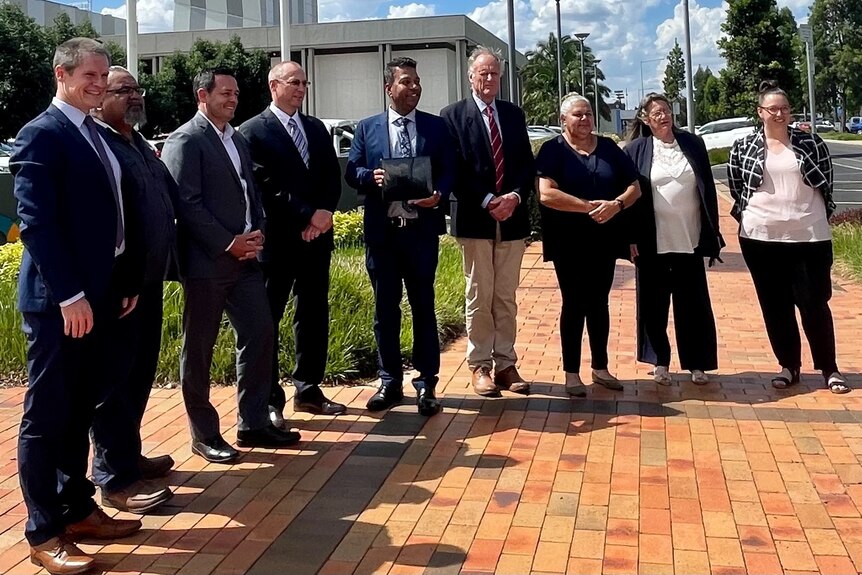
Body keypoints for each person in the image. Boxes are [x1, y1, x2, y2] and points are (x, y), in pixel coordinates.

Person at [11, 37, 144, 574]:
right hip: (60, 304)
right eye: (88, 75)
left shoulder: (97, 134)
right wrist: (69, 295)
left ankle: (78, 508)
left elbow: (116, 211)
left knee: (81, 407)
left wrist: (125, 277)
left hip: (102, 296)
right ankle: (43, 531)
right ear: (61, 75)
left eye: (102, 76)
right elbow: (36, 224)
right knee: (46, 415)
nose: (98, 84)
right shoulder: (41, 133)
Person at [161, 69, 301, 465]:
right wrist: (227, 242)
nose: (233, 99)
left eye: (236, 94)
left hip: (246, 262)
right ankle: (203, 435)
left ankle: (253, 422)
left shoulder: (236, 137)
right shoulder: (186, 139)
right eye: (225, 93)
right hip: (207, 263)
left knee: (260, 332)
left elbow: (249, 190)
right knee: (199, 349)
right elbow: (185, 204)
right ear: (202, 94)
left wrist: (256, 233)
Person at [345, 57, 455, 416]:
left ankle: (427, 384)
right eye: (406, 82)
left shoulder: (435, 128)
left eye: (417, 81)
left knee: (424, 307)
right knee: (385, 310)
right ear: (388, 88)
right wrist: (369, 178)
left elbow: (450, 169)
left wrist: (438, 194)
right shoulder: (367, 128)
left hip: (421, 234)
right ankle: (389, 380)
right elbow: (352, 170)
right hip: (384, 235)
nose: (414, 88)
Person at [88, 66, 176, 515]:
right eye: (124, 90)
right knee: (115, 382)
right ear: (100, 98)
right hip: (121, 289)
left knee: (140, 375)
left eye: (137, 89)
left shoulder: (138, 142)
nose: (134, 96)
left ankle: (129, 455)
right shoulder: (100, 143)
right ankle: (114, 478)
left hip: (148, 282)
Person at [239, 61, 346, 427]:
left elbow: (332, 176)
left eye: (304, 82)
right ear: (274, 85)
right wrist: (306, 216)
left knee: (314, 313)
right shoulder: (252, 131)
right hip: (279, 241)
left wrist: (324, 214)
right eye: (294, 82)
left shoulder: (315, 128)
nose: (301, 88)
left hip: (316, 240)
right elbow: (264, 186)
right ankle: (270, 398)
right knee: (269, 318)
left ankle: (309, 388)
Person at [728, 80, 849, 394]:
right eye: (772, 109)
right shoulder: (744, 146)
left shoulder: (811, 143)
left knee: (814, 303)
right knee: (775, 305)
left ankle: (829, 368)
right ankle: (788, 366)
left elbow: (827, 184)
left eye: (784, 108)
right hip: (760, 237)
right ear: (760, 112)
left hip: (809, 236)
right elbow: (737, 188)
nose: (779, 114)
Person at [441, 46, 535, 398]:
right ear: (470, 77)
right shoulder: (452, 116)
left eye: (495, 73)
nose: (490, 79)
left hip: (511, 218)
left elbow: (526, 163)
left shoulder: (512, 115)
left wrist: (513, 196)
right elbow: (454, 169)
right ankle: (480, 365)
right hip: (475, 218)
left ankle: (506, 363)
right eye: (483, 73)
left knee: (506, 297)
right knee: (479, 294)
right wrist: (486, 200)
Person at [535, 94, 641, 397]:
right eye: (578, 115)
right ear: (563, 120)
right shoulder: (552, 150)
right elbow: (546, 194)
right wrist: (587, 207)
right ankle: (571, 373)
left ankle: (600, 367)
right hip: (568, 241)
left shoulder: (608, 147)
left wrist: (616, 205)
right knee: (574, 303)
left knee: (599, 302)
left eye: (589, 114)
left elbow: (635, 186)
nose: (585, 120)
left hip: (604, 239)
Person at [624, 93, 724, 386]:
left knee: (693, 305)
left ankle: (697, 363)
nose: (663, 117)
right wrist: (629, 237)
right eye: (656, 114)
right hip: (651, 240)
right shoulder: (636, 150)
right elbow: (630, 196)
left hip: (689, 237)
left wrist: (713, 231)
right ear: (645, 119)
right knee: (653, 305)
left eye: (666, 111)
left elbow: (706, 189)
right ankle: (659, 361)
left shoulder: (693, 144)